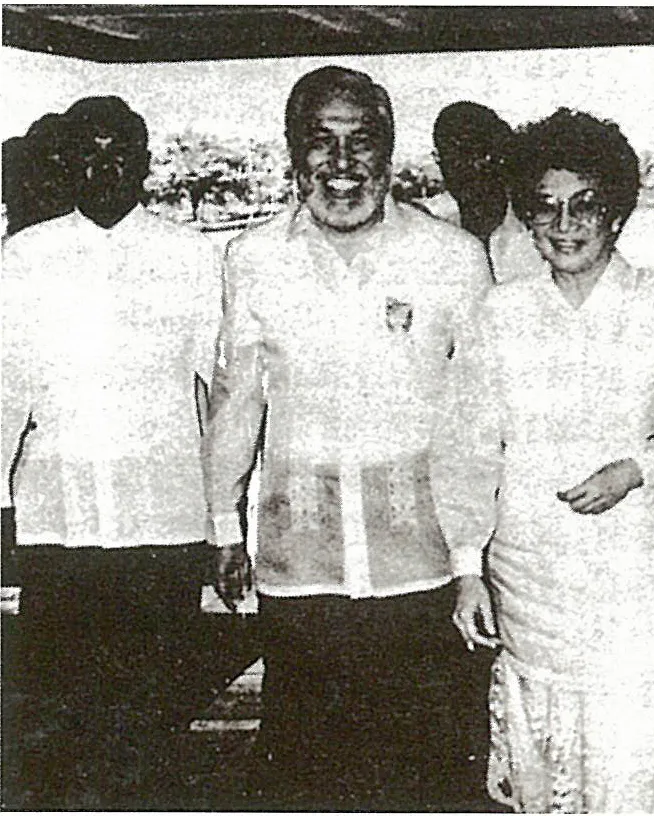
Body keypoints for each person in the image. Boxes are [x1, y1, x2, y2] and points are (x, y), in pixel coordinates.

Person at [431, 107, 654, 813]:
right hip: (531, 583)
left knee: (633, 773)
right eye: (545, 209)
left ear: (617, 213)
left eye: (585, 207)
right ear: (527, 217)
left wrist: (636, 471)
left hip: (639, 587)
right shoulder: (498, 314)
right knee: (545, 780)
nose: (565, 226)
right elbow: (465, 452)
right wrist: (465, 571)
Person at [203, 66, 493, 810]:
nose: (340, 165)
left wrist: (473, 557)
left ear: (389, 153)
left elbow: (481, 414)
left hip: (426, 569)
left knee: (428, 768)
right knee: (304, 768)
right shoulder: (253, 257)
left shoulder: (454, 257)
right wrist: (222, 527)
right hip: (301, 569)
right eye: (320, 143)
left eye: (360, 143)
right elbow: (237, 401)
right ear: (293, 154)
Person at [1, 96, 221, 808]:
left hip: (164, 519)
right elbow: (5, 387)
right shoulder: (26, 256)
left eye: (121, 152)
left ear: (147, 164)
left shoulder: (190, 255)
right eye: (89, 153)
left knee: (154, 710)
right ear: (66, 163)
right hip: (58, 521)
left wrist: (225, 518)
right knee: (60, 708)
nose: (105, 167)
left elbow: (217, 391)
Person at [419, 100, 545, 283]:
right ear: (439, 160)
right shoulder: (434, 238)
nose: (471, 166)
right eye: (453, 155)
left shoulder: (540, 238)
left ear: (501, 157)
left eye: (480, 153)